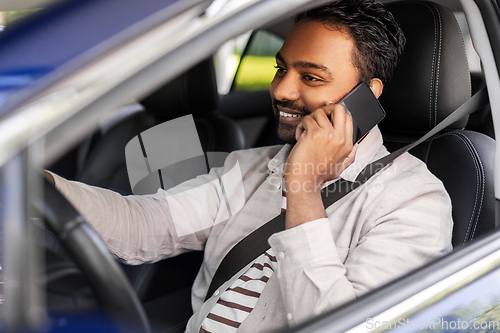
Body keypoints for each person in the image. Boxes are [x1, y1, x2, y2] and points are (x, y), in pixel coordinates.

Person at [45, 0, 453, 332]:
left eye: (311, 78)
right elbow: (145, 225)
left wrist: (303, 189)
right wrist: (37, 188)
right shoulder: (252, 168)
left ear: (366, 95)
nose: (281, 89)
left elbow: (345, 327)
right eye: (281, 69)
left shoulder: (414, 202)